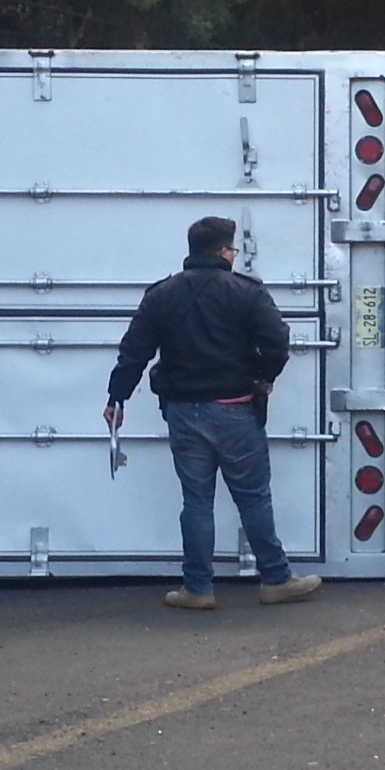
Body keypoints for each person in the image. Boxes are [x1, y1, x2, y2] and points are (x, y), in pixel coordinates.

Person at [105, 216, 321, 609]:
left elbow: (134, 351)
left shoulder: (161, 294)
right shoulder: (247, 292)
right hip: (236, 411)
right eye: (232, 249)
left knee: (196, 500)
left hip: (183, 413)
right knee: (253, 498)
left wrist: (116, 398)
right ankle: (276, 579)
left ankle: (197, 588)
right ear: (224, 251)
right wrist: (264, 377)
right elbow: (277, 342)